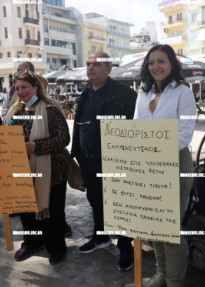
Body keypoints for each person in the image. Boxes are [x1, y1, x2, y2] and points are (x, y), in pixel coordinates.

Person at [134, 44, 196, 287]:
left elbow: (185, 134)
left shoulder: (183, 92)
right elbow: (136, 127)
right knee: (153, 223)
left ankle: (175, 281)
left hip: (175, 163)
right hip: (147, 165)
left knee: (170, 228)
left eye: (161, 61)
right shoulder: (143, 92)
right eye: (151, 62)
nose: (155, 66)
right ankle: (162, 272)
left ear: (172, 64)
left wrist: (153, 150)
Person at [71, 52, 136, 271]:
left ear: (109, 68)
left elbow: (134, 127)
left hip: (114, 159)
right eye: (88, 63)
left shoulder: (125, 93)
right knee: (95, 199)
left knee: (120, 203)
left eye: (96, 64)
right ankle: (101, 237)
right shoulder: (86, 91)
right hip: (88, 158)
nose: (90, 67)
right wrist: (77, 152)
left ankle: (126, 246)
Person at [3, 69, 70, 265]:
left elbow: (63, 138)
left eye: (25, 87)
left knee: (52, 213)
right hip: (21, 170)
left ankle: (56, 247)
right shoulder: (15, 110)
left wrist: (35, 147)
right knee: (26, 210)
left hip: (50, 172)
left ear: (35, 87)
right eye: (18, 87)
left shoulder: (50, 109)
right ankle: (32, 242)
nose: (21, 91)